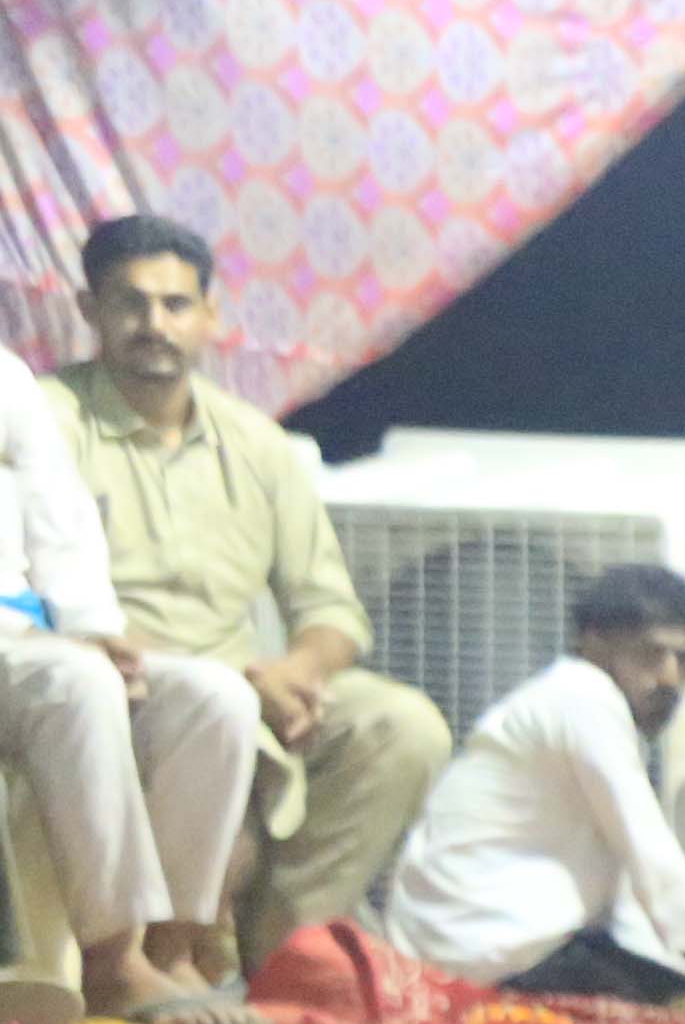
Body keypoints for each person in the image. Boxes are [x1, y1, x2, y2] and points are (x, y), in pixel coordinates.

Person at [48, 215, 455, 966]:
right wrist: (242, 683)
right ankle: (163, 962)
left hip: (251, 691)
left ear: (210, 316)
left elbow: (331, 609)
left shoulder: (257, 444)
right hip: (112, 687)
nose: (154, 324)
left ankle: (285, 952)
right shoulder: (46, 424)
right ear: (89, 311)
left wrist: (297, 671)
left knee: (402, 726)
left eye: (175, 305)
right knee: (219, 711)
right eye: (130, 303)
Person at [0, 360, 258, 1016]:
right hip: (25, 653)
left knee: (214, 698)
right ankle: (112, 964)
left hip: (26, 636)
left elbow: (59, 517)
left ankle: (170, 952)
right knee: (76, 682)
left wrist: (92, 627)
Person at [375, 563, 685, 1000]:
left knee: (680, 995)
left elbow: (628, 895)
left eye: (683, 659)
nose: (670, 679)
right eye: (651, 655)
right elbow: (654, 861)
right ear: (594, 644)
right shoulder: (583, 697)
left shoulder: (580, 705)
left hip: (493, 946)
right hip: (485, 949)